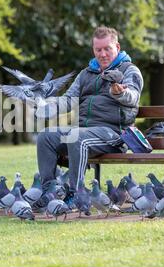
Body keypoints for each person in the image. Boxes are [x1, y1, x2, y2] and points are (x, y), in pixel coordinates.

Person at [36, 26, 144, 204]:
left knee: (76, 137)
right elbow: (68, 100)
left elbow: (133, 98)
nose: (102, 54)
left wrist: (119, 93)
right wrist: (46, 107)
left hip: (114, 134)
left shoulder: (129, 70)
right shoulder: (86, 73)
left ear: (117, 47)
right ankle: (49, 191)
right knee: (45, 136)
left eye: (107, 49)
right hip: (84, 131)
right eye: (98, 50)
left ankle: (76, 194)